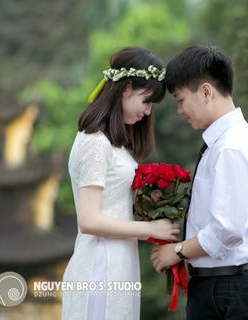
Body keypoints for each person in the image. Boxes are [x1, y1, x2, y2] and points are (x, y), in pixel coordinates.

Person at [151, 45, 248, 320]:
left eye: (181, 99)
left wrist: (178, 251)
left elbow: (227, 229)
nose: (180, 110)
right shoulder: (222, 142)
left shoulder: (231, 146)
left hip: (231, 286)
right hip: (222, 284)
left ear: (206, 92)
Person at [61, 47, 179, 320]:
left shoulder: (112, 144)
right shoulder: (95, 143)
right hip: (100, 264)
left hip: (118, 260)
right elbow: (88, 220)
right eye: (146, 101)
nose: (148, 112)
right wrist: (149, 229)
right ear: (126, 89)